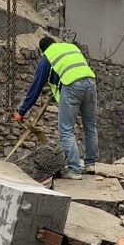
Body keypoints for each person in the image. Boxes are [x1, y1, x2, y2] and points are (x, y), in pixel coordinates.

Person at [14, 36, 98, 179]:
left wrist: (21, 111)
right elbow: (70, 70)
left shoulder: (48, 56)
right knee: (90, 126)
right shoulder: (70, 48)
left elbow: (36, 87)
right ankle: (90, 164)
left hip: (72, 86)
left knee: (66, 130)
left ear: (43, 50)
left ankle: (75, 170)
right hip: (91, 83)